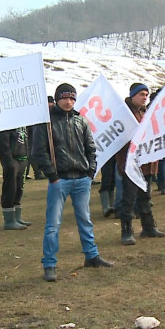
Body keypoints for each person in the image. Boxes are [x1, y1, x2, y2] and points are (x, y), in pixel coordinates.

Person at [32, 83, 113, 281]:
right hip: (60, 180)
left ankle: (91, 255)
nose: (68, 102)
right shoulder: (46, 123)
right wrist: (53, 176)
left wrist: (90, 171)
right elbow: (38, 152)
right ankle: (49, 263)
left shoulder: (81, 121)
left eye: (72, 98)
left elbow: (91, 148)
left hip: (82, 179)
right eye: (64, 98)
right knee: (53, 223)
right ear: (57, 99)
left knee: (85, 219)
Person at [116, 83, 165, 245]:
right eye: (141, 94)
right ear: (132, 96)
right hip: (131, 164)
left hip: (146, 163)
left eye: (146, 94)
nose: (144, 97)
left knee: (145, 196)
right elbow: (120, 139)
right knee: (129, 198)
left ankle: (148, 226)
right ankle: (126, 230)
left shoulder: (146, 112)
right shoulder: (124, 114)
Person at [0, 127, 31, 230]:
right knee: (10, 187)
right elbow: (2, 141)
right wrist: (8, 160)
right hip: (11, 158)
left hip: (22, 156)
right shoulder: (6, 123)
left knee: (19, 187)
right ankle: (9, 219)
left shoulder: (22, 121)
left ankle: (17, 216)